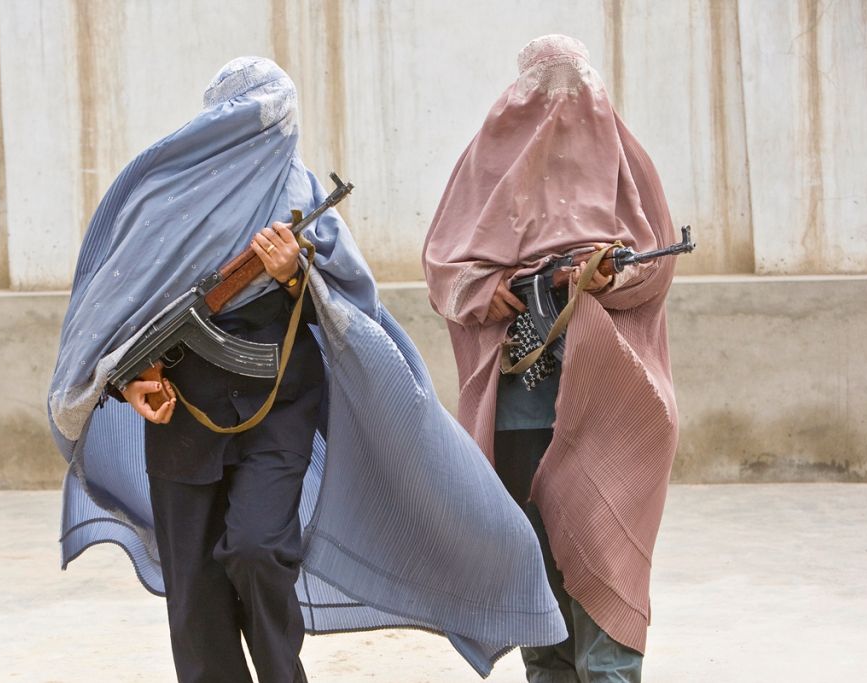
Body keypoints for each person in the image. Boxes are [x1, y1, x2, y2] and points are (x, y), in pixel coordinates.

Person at [48, 57, 567, 683]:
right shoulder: (165, 199)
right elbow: (116, 307)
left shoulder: (300, 197)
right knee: (193, 588)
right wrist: (131, 379)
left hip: (277, 401)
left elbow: (356, 303)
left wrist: (297, 274)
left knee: (259, 549)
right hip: (182, 409)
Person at [422, 35, 680, 682]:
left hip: (611, 411)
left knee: (609, 571)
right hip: (514, 416)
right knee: (543, 600)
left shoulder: (625, 161)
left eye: (572, 83)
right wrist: (499, 289)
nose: (558, 102)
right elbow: (445, 271)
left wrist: (605, 279)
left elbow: (658, 265)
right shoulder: (486, 162)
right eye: (543, 85)